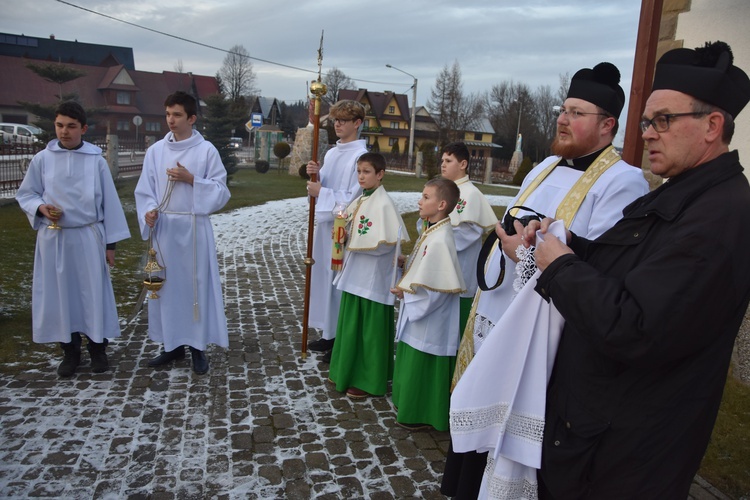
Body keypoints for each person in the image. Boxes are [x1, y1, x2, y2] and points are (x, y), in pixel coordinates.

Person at [525, 41, 750, 498]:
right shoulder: (681, 191)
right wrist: (570, 245)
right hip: (596, 428)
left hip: (625, 451)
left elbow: (637, 327)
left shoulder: (720, 217)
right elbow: (630, 266)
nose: (647, 133)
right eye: (647, 121)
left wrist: (562, 267)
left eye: (663, 120)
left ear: (712, 125)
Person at [444, 62, 649, 499]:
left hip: (544, 334)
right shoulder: (546, 166)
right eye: (563, 109)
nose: (562, 118)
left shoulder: (622, 181)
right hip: (497, 311)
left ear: (607, 124)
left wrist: (528, 257)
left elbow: (598, 266)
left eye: (577, 112)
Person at [16, 101, 130, 377]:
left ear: (83, 128)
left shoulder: (95, 161)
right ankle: (70, 350)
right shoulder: (43, 159)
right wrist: (41, 208)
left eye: (71, 126)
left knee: (91, 293)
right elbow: (27, 194)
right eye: (59, 125)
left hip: (87, 236)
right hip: (54, 238)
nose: (64, 132)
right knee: (61, 295)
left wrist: (110, 246)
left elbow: (110, 205)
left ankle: (98, 348)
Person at [134, 91, 230, 375]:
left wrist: (192, 180)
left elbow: (222, 192)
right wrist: (149, 211)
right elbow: (145, 190)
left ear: (191, 118)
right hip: (164, 231)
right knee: (167, 290)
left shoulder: (206, 151)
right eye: (167, 114)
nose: (170, 120)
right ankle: (171, 345)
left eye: (177, 115)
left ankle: (197, 347)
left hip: (193, 230)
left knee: (194, 289)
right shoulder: (155, 152)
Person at [328, 152, 410, 399]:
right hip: (355, 275)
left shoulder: (384, 204)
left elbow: (387, 244)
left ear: (380, 174)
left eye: (366, 172)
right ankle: (347, 371)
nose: (361, 176)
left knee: (369, 331)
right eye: (359, 171)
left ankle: (369, 379)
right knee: (352, 326)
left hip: (372, 279)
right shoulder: (359, 200)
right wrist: (342, 231)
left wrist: (352, 239)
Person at [391, 178, 465, 431]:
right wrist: (405, 263)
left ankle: (422, 413)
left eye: (425, 197)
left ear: (442, 204)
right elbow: (425, 268)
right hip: (421, 312)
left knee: (424, 361)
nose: (419, 201)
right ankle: (410, 406)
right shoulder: (432, 230)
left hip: (431, 317)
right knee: (413, 356)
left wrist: (406, 294)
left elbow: (437, 291)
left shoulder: (441, 239)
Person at [305, 100, 368, 363]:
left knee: (339, 284)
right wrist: (316, 177)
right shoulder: (332, 153)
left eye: (343, 120)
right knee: (325, 280)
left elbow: (355, 197)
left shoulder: (359, 157)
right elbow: (324, 190)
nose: (338, 124)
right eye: (335, 120)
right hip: (325, 226)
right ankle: (329, 333)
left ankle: (340, 339)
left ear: (357, 123)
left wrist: (323, 192)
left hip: (343, 228)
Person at [439, 142, 498, 338]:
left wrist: (437, 237)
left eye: (448, 160)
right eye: (442, 161)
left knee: (455, 332)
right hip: (439, 265)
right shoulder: (443, 190)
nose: (443, 165)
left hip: (460, 270)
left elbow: (468, 233)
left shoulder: (471, 194)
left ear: (463, 164)